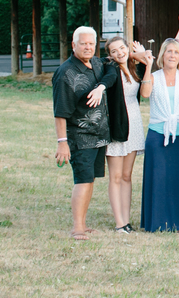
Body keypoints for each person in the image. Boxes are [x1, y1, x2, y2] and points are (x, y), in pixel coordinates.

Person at [53, 27, 112, 240]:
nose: (88, 47)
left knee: (90, 180)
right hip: (80, 137)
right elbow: (60, 112)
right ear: (73, 45)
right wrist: (62, 142)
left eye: (91, 43)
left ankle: (83, 223)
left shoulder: (97, 63)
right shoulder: (65, 73)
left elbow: (113, 64)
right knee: (82, 179)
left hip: (99, 136)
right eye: (83, 43)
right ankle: (77, 227)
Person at [140, 39, 179, 232]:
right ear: (162, 55)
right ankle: (157, 222)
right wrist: (147, 66)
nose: (172, 55)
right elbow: (145, 94)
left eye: (176, 52)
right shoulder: (154, 76)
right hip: (158, 133)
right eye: (169, 51)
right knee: (159, 178)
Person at [103, 36, 151, 233]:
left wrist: (138, 57)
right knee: (115, 176)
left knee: (126, 175)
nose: (119, 53)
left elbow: (149, 58)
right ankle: (119, 222)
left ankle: (127, 219)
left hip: (134, 123)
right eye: (114, 51)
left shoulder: (134, 68)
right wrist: (132, 53)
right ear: (110, 55)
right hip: (116, 125)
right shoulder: (108, 67)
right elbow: (102, 64)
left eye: (122, 48)